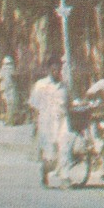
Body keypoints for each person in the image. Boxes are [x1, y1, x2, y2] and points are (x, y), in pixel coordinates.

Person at [29, 55, 74, 187]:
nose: (56, 72)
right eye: (53, 70)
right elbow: (34, 106)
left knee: (64, 148)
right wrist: (35, 125)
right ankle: (45, 171)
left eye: (58, 70)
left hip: (62, 122)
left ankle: (65, 178)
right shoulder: (40, 85)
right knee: (50, 158)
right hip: (46, 124)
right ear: (49, 70)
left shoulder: (64, 86)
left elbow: (69, 103)